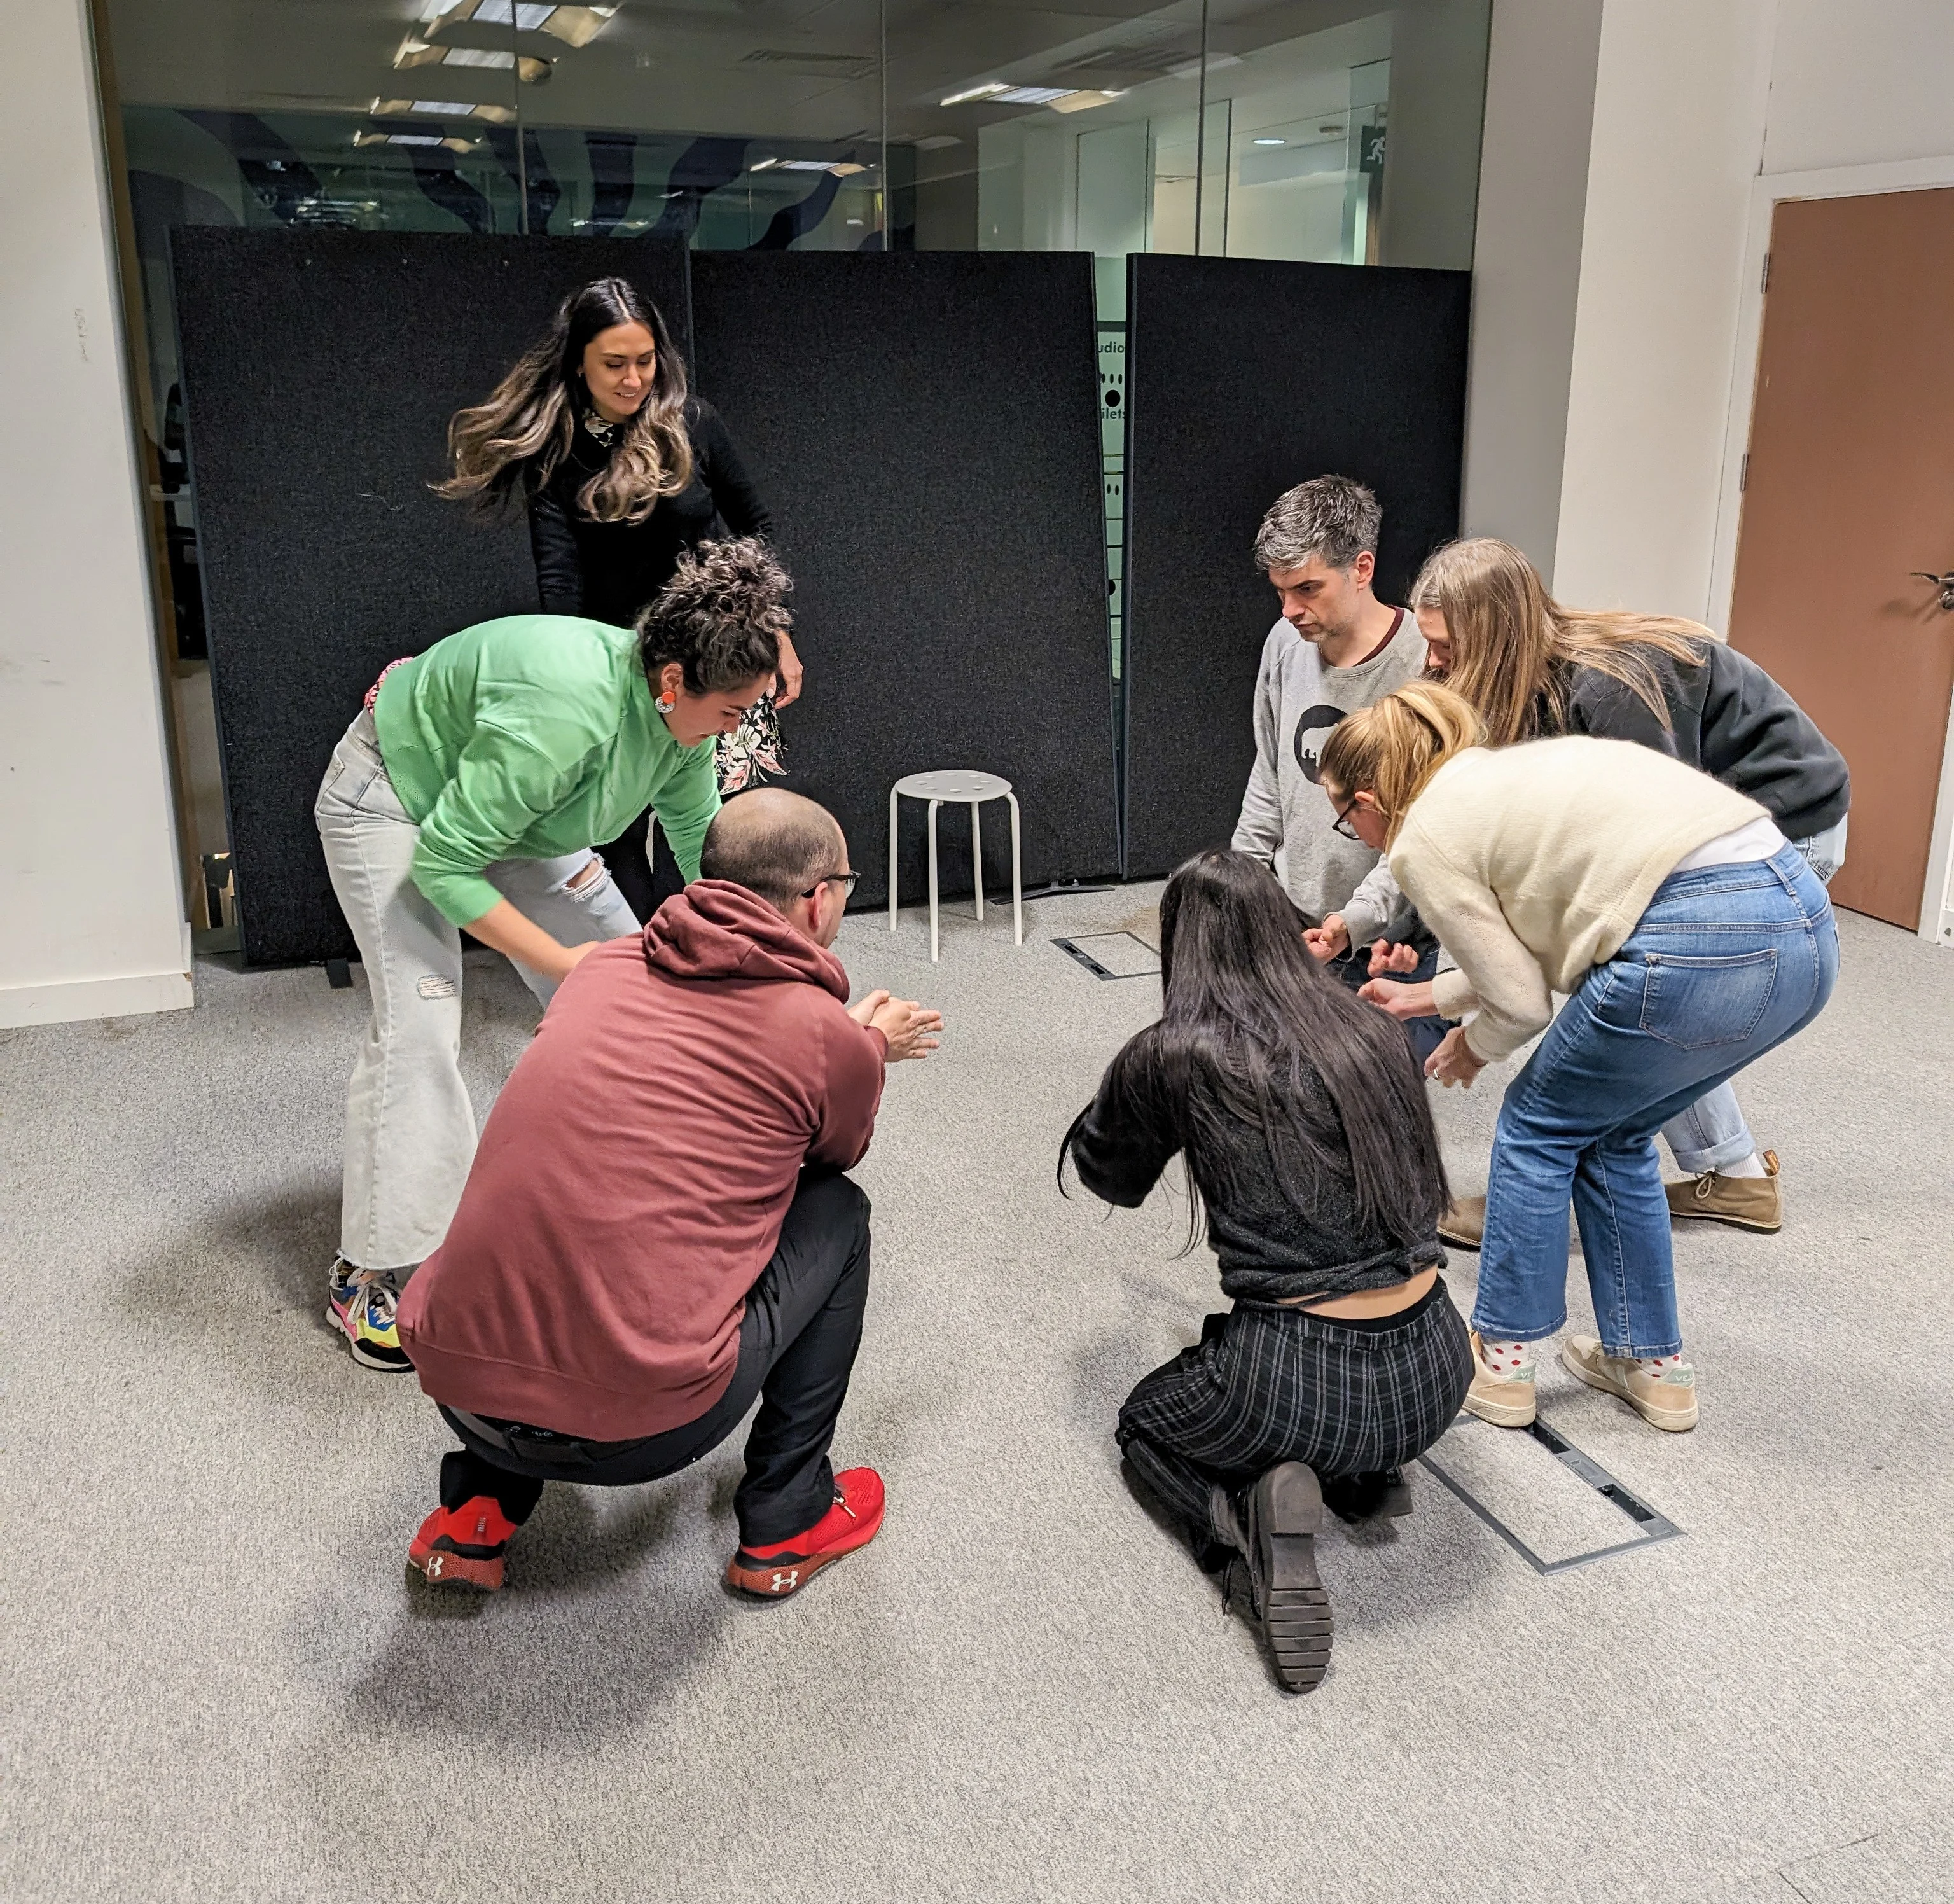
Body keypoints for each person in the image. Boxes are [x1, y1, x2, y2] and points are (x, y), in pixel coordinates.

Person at [396, 789, 941, 1599]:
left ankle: (479, 1504)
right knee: (838, 1213)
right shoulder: (824, 1034)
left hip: (458, 1387)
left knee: (560, 1181)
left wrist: (833, 1042)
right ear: (819, 899)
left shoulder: (601, 969)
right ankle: (789, 1517)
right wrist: (860, 1046)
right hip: (642, 1432)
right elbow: (831, 1154)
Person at [313, 538, 789, 1373]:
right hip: (394, 796)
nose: (739, 727)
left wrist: (749, 949)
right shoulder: (567, 713)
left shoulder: (678, 726)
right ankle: (367, 1275)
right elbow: (447, 863)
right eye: (731, 712)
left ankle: (647, 1208)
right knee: (421, 1024)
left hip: (518, 809)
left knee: (642, 983)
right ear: (672, 683)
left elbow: (698, 844)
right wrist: (571, 974)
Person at [1319, 683, 1838, 1437]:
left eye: (1346, 817)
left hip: (1694, 939)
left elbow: (1523, 1005)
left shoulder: (1422, 837)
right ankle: (1652, 1367)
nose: (1358, 836)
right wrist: (1427, 998)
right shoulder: (1504, 777)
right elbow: (1541, 947)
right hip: (1804, 927)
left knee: (1538, 1124)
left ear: (1370, 799)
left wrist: (1473, 1044)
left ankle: (1501, 1364)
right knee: (1616, 1130)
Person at [1062, 849, 1471, 1695]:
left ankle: (1243, 1540)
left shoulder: (1176, 1051)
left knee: (1145, 1424)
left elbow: (1110, 1178)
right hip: (1439, 1362)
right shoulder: (1369, 1028)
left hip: (1292, 1374)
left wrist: (1134, 1091)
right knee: (1290, 1355)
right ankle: (1363, 1469)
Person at [1360, 538, 1850, 1240]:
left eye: (1444, 644)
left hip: (1786, 818)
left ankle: (1539, 1187)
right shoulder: (1514, 688)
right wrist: (1407, 934)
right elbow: (1461, 846)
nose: (1433, 660)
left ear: (1495, 631)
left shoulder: (1609, 686)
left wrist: (1484, 1020)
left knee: (1640, 988)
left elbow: (1649, 847)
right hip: (1718, 833)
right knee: (1661, 1000)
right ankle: (1735, 1173)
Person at [438, 277, 800, 919]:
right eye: (614, 364)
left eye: (645, 360)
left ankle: (712, 945)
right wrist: (570, 686)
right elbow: (561, 582)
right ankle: (633, 968)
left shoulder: (693, 422)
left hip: (713, 659)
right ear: (579, 361)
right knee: (615, 831)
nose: (634, 379)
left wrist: (772, 635)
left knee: (702, 820)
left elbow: (756, 531)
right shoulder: (561, 448)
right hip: (618, 671)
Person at [1228, 475, 1448, 1059]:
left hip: (1388, 944)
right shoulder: (1283, 642)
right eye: (1280, 592)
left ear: (1362, 568)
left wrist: (1354, 921)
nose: (1290, 610)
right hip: (1298, 926)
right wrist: (1245, 885)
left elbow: (1421, 833)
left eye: (1307, 588)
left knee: (1372, 1115)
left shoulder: (1425, 664)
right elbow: (1270, 771)